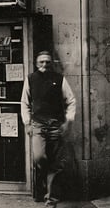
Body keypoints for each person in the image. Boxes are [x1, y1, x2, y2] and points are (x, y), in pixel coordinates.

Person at [21, 51, 76, 207]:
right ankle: (47, 179)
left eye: (47, 62)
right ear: (36, 64)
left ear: (51, 63)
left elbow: (71, 101)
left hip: (55, 126)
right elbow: (24, 103)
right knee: (39, 157)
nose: (44, 65)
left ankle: (51, 200)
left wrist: (68, 121)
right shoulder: (30, 79)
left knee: (57, 163)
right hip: (38, 125)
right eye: (41, 62)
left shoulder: (59, 79)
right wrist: (27, 123)